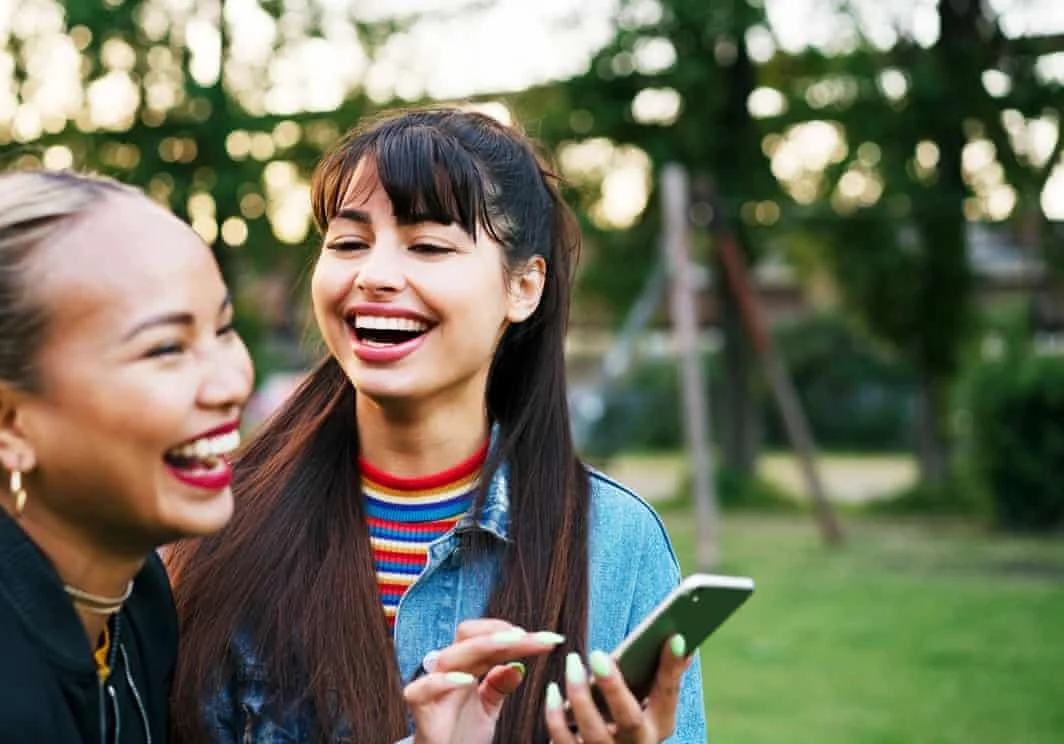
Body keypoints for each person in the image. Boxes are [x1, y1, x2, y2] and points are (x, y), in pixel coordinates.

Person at [0, 169, 548, 744]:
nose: (231, 381)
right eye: (166, 348)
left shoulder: (133, 596)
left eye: (223, 328)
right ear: (2, 417)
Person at [167, 106, 706, 743]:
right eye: (348, 243)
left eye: (428, 246)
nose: (375, 275)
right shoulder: (214, 524)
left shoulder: (615, 543)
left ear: (524, 287)